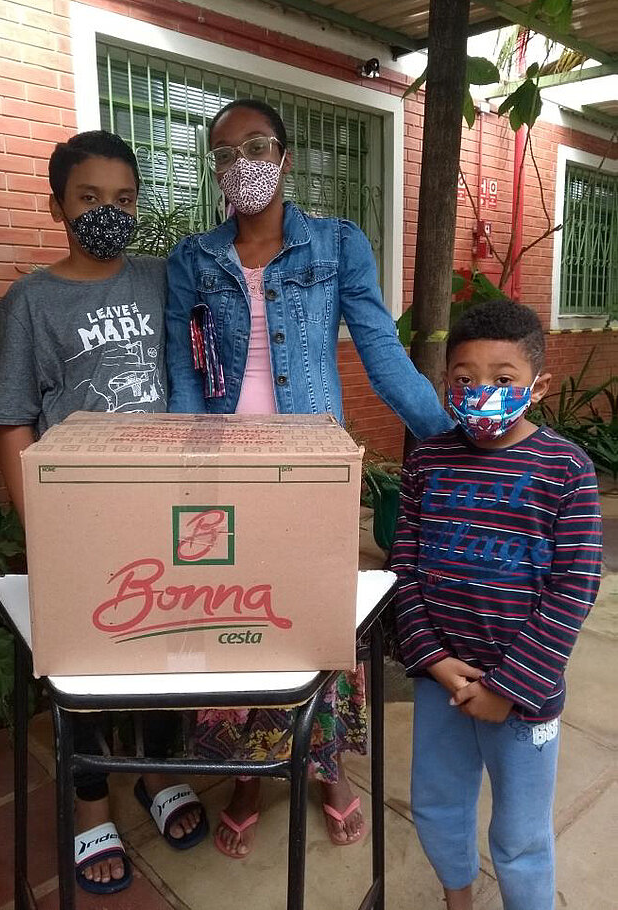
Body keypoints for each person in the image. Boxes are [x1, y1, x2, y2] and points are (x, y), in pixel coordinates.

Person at [165, 98, 453, 858]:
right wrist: (193, 470)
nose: (242, 164)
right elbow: (184, 377)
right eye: (225, 154)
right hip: (227, 473)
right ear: (216, 171)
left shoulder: (336, 244)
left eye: (256, 146)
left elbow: (383, 353)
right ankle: (249, 772)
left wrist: (449, 436)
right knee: (232, 625)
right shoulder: (192, 260)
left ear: (285, 157)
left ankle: (326, 768)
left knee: (321, 625)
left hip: (314, 469)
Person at [0, 130, 207, 894]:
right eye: (89, 198)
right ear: (58, 206)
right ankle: (90, 805)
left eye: (122, 199)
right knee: (84, 668)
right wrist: (37, 527)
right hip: (78, 520)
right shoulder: (29, 302)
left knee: (165, 655)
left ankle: (156, 771)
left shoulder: (163, 277)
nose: (107, 212)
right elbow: (15, 419)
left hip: (165, 509)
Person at [391, 299, 602, 910]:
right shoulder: (427, 461)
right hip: (440, 680)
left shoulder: (566, 470)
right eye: (464, 379)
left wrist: (508, 688)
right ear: (445, 382)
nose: (482, 391)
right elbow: (403, 569)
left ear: (536, 384)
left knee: (520, 834)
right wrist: (431, 658)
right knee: (436, 805)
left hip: (523, 693)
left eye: (503, 379)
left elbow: (575, 586)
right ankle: (458, 899)